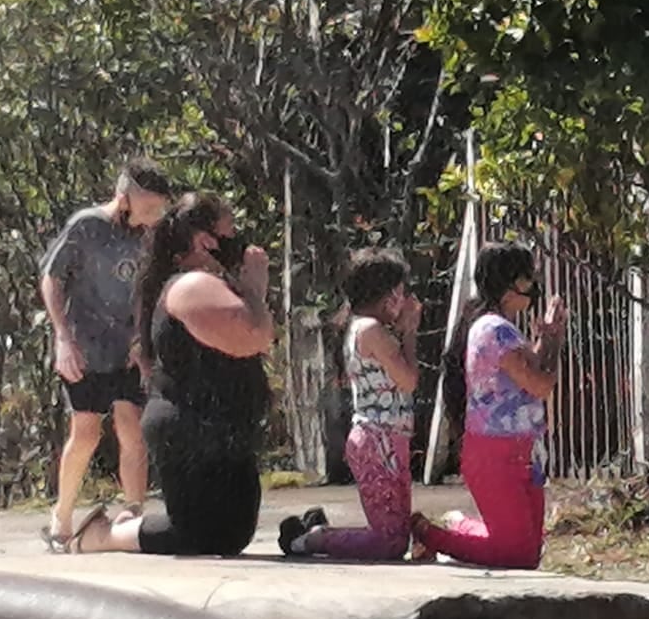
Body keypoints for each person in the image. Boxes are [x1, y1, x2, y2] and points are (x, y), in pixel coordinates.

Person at [60, 192, 275, 556]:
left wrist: (249, 289)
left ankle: (122, 527)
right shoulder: (191, 286)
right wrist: (255, 288)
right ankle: (105, 536)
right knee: (195, 537)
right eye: (230, 232)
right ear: (204, 240)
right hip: (191, 432)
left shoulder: (213, 285)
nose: (238, 242)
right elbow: (253, 337)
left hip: (225, 432)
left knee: (232, 535)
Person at [39, 158, 173, 551]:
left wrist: (142, 340)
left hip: (128, 346)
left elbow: (153, 289)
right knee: (86, 431)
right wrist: (63, 337)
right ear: (124, 198)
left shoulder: (152, 235)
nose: (153, 217)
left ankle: (132, 512)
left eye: (158, 210)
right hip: (84, 344)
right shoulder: (87, 226)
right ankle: (61, 515)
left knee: (132, 425)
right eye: (147, 208)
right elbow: (51, 279)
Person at [410, 243, 568, 570]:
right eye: (528, 279)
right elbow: (541, 382)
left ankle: (459, 525)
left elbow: (530, 369)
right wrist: (552, 341)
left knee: (526, 551)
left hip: (521, 452)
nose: (533, 287)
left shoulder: (502, 328)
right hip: (497, 454)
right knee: (517, 556)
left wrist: (548, 338)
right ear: (509, 283)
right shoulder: (493, 329)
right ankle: (428, 533)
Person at [278, 248, 423, 559]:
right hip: (377, 441)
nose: (405, 298)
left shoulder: (369, 328)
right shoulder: (370, 330)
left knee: (397, 538)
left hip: (391, 439)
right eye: (400, 290)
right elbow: (408, 380)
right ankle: (313, 539)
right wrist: (410, 332)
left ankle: (317, 532)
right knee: (390, 543)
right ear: (386, 294)